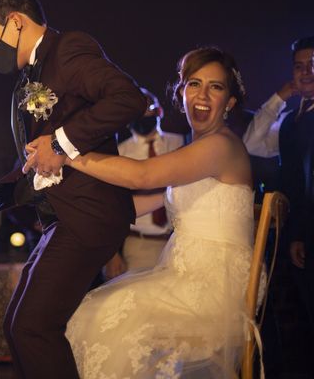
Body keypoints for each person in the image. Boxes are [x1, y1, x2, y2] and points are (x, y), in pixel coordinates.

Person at [27, 47, 253, 378]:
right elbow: (132, 204)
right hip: (186, 277)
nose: (202, 95)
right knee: (91, 313)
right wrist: (67, 206)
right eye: (194, 84)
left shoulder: (220, 145)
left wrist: (63, 151)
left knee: (99, 318)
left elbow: (141, 175)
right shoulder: (199, 151)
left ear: (229, 102)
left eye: (216, 87)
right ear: (181, 93)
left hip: (212, 289)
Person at [0, 0, 146, 378]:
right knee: (18, 326)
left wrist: (61, 143)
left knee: (33, 328)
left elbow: (128, 98)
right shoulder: (33, 69)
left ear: (15, 21)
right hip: (63, 218)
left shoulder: (68, 49)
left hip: (88, 214)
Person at [242, 35, 314, 367]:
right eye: (300, 66)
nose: (306, 72)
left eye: (313, 64)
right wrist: (280, 96)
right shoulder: (290, 118)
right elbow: (254, 143)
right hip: (292, 228)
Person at [103, 88, 185, 280]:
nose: (142, 113)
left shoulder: (181, 143)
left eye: (147, 107)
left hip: (178, 241)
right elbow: (109, 205)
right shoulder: (119, 152)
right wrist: (112, 254)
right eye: (134, 109)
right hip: (139, 243)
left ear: (159, 111)